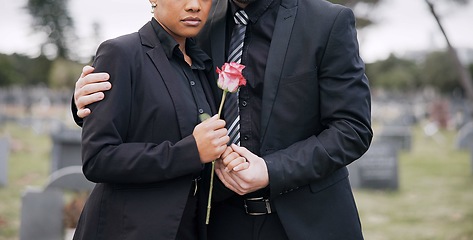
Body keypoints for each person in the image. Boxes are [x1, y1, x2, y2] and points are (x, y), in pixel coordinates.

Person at [73, 0, 373, 239]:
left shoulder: (327, 21)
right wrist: (86, 103)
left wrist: (272, 170)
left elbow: (352, 129)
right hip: (215, 221)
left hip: (307, 222)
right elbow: (151, 77)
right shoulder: (198, 18)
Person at [72, 0, 230, 239]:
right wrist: (190, 152)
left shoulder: (202, 63)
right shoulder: (121, 53)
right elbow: (98, 159)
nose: (194, 6)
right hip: (127, 229)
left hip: (189, 226)